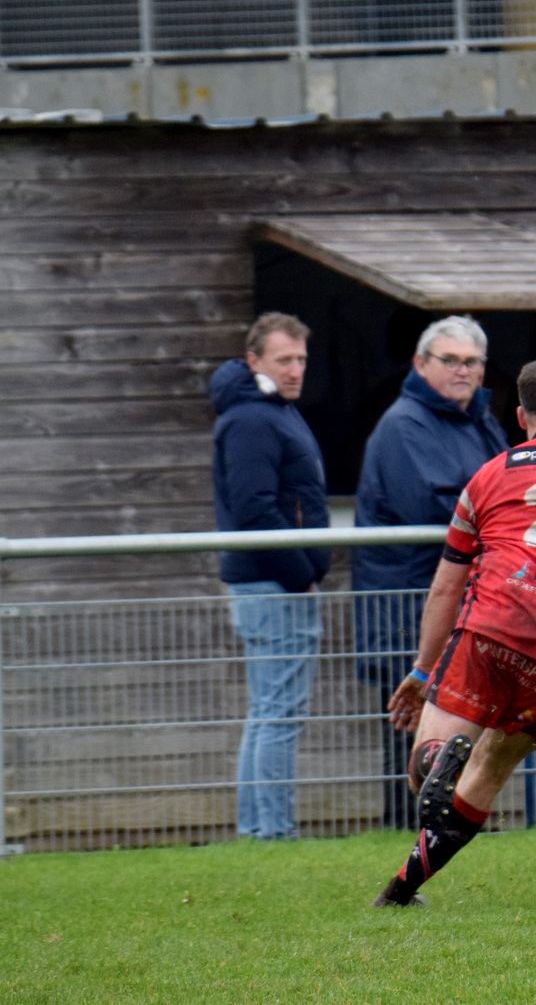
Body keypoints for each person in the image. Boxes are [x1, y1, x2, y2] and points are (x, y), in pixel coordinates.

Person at [371, 357, 536, 907]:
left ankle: (438, 760)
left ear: (520, 416)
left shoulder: (486, 477)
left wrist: (423, 670)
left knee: (427, 767)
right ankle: (402, 890)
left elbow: (446, 588)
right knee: (489, 770)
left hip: (492, 623)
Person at [352, 316, 509, 829]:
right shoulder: (404, 425)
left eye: (472, 361)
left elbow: (510, 488)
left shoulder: (480, 420)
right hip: (409, 607)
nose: (463, 371)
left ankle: (451, 825)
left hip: (462, 604)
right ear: (420, 364)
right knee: (412, 727)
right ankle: (408, 831)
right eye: (450, 360)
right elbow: (438, 508)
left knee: (458, 726)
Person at [210, 312, 329, 841]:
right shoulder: (253, 419)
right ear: (254, 361)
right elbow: (254, 508)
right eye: (284, 360)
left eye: (301, 359)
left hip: (270, 582)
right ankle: (272, 832)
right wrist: (301, 575)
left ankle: (259, 831)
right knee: (278, 713)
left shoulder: (268, 411)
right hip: (273, 584)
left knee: (268, 712)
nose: (295, 370)